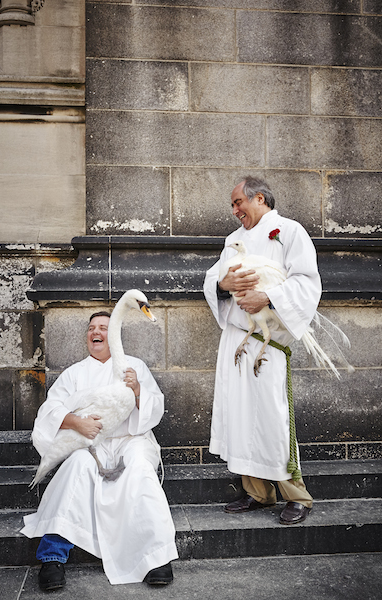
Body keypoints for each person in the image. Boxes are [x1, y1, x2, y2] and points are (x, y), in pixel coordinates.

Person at [21, 311, 178, 590]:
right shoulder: (75, 374)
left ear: (114, 334)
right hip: (91, 443)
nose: (97, 332)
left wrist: (139, 390)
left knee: (140, 467)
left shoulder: (134, 367)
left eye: (104, 327)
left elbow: (155, 409)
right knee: (77, 466)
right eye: (92, 328)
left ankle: (156, 557)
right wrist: (77, 423)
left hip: (132, 439)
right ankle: (53, 556)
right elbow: (49, 412)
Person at [204, 176, 321, 525]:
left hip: (270, 344)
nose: (235, 210)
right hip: (238, 339)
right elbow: (213, 279)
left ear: (259, 198)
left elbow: (307, 281)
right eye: (233, 205)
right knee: (239, 417)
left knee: (272, 417)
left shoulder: (289, 232)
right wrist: (223, 285)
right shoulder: (234, 240)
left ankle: (296, 495)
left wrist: (267, 297)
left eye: (239, 202)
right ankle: (258, 492)